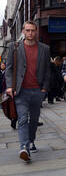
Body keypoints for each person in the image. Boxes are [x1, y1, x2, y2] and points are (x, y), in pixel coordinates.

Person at [5, 20, 50, 162]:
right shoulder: (14, 47)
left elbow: (48, 71)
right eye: (28, 30)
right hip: (21, 91)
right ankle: (24, 147)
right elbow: (9, 68)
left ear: (36, 31)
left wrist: (44, 89)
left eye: (33, 30)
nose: (30, 33)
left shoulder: (44, 49)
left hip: (37, 90)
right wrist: (9, 86)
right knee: (23, 118)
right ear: (23, 31)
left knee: (34, 119)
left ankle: (30, 140)